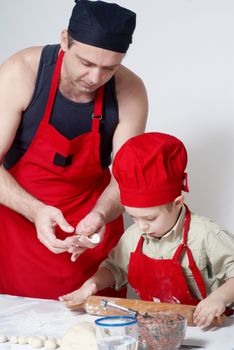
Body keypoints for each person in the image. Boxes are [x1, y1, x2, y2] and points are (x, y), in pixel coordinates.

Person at [0, 0, 148, 299]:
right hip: (18, 227)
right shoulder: (22, 72)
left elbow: (125, 176)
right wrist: (35, 211)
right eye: (86, 63)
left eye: (109, 68)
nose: (95, 78)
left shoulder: (130, 91)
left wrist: (100, 215)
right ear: (65, 40)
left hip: (90, 233)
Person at [60, 132, 234, 327]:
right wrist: (90, 285)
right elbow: (114, 268)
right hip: (154, 328)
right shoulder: (134, 237)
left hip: (208, 327)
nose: (142, 226)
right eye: (133, 217)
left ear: (177, 203)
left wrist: (220, 297)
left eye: (150, 218)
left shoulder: (206, 235)